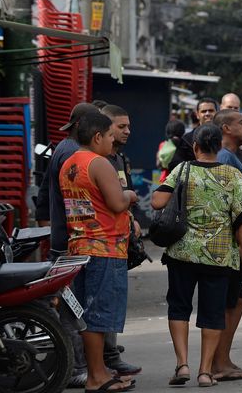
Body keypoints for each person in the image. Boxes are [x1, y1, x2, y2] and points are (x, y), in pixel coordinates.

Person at [152, 124, 242, 388]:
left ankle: (182, 364)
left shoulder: (182, 169)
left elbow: (157, 202)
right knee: (213, 312)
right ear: (219, 147)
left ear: (195, 147)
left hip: (181, 254)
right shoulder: (231, 175)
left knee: (179, 307)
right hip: (219, 256)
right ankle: (205, 372)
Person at [59, 112, 138, 392]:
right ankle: (96, 377)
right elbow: (117, 203)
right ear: (97, 137)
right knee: (99, 315)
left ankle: (100, 371)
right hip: (105, 247)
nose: (111, 140)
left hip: (80, 245)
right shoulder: (98, 163)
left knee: (89, 313)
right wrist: (130, 195)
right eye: (108, 136)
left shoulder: (69, 163)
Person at [34, 102, 100, 387]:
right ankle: (75, 368)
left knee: (72, 306)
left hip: (65, 237)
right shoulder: (75, 153)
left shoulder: (63, 148)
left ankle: (81, 364)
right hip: (72, 241)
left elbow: (46, 192)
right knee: (72, 308)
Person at [210, 110, 242, 381]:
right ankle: (220, 362)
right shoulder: (225, 158)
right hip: (233, 244)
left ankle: (221, 360)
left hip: (236, 242)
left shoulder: (231, 156)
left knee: (238, 298)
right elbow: (234, 209)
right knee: (234, 300)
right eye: (241, 123)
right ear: (226, 128)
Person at [98, 104, 143, 377]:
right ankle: (104, 360)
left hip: (119, 239)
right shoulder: (97, 160)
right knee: (103, 302)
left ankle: (109, 355)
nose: (128, 131)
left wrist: (131, 216)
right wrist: (128, 201)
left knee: (112, 299)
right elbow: (117, 198)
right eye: (121, 126)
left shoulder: (118, 158)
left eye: (128, 126)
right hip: (101, 242)